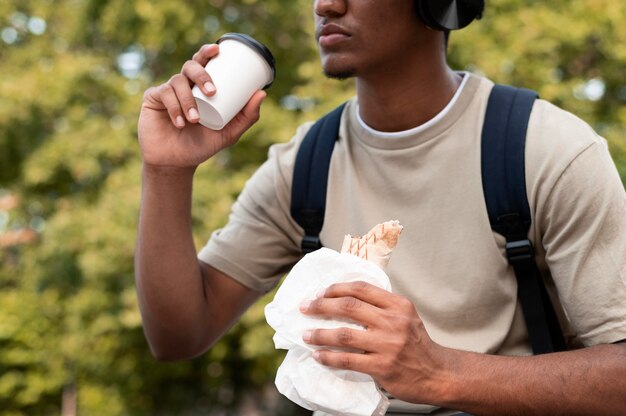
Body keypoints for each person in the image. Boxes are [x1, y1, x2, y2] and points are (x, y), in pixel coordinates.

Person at [135, 0, 626, 414]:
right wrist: (167, 171)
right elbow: (178, 336)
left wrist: (440, 374)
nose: (326, 5)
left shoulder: (546, 148)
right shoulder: (304, 165)